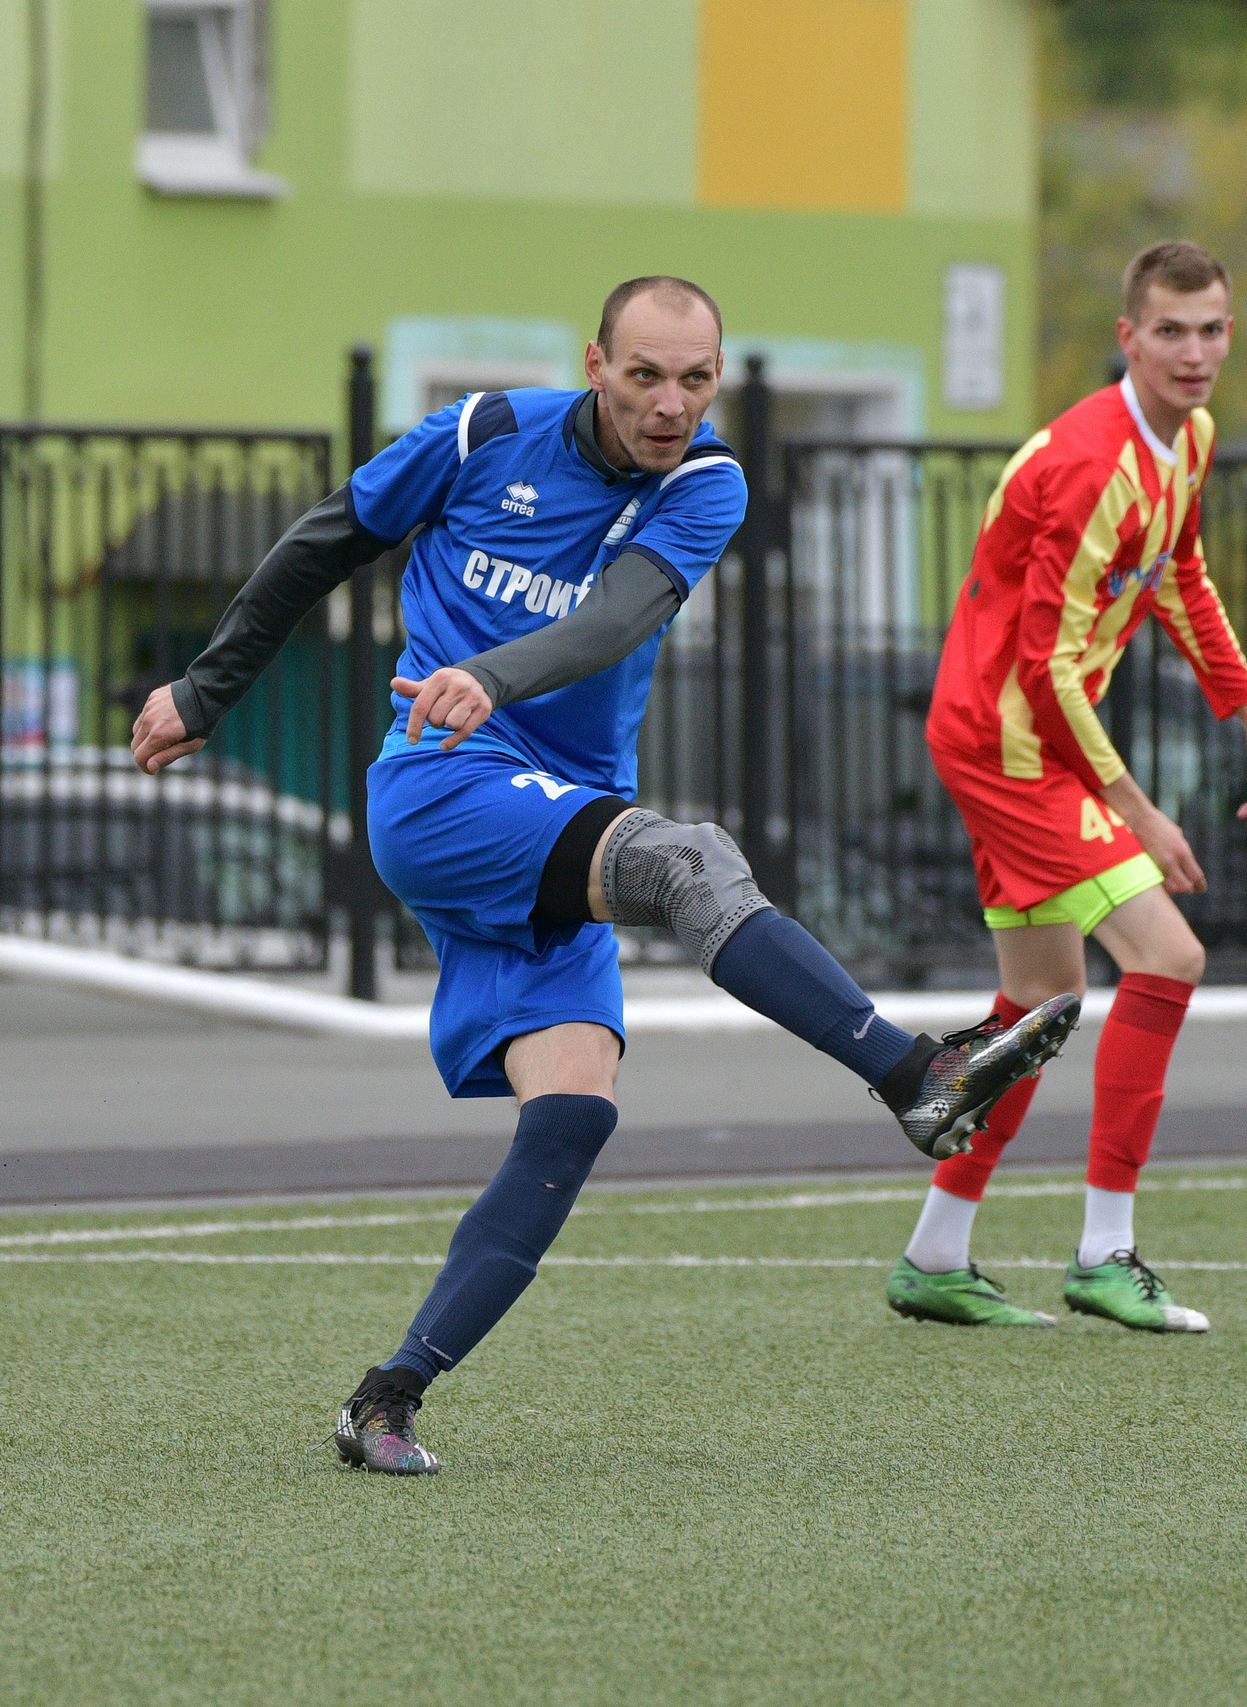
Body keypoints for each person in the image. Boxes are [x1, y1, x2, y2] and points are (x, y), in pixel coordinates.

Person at [129, 276, 1078, 1474]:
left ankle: (387, 1397)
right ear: (594, 365)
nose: (671, 404)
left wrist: (496, 673)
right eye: (644, 376)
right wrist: (206, 687)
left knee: (573, 1117)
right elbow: (327, 539)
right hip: (443, 788)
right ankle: (912, 1074)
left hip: (563, 828)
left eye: (695, 380)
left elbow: (619, 617)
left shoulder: (707, 482)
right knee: (689, 861)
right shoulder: (482, 433)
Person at [885, 240, 1247, 1333]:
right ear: (1129, 338)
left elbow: (1182, 578)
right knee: (1169, 955)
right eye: (1170, 331)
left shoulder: (1190, 438)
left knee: (1038, 1006)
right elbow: (1047, 669)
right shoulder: (1088, 466)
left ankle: (934, 1255)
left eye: (1210, 330)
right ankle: (1105, 1252)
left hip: (1015, 733)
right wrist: (1137, 811)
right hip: (1008, 740)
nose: (1194, 352)